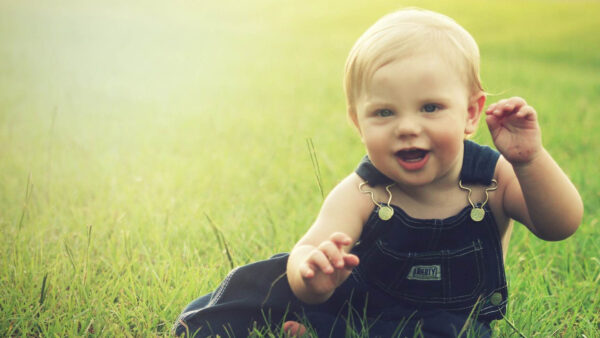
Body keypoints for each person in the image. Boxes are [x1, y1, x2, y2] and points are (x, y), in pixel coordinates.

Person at [173, 8, 583, 337]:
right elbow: (307, 249)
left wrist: (529, 162)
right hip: (361, 307)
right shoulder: (363, 191)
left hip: (450, 324)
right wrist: (313, 274)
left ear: (471, 112)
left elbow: (559, 225)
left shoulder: (494, 178)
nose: (407, 126)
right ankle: (316, 324)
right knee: (270, 278)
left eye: (430, 107)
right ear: (358, 122)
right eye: (384, 112)